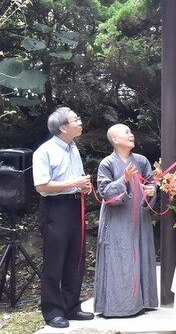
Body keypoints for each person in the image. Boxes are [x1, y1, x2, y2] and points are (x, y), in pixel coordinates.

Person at [32, 107, 94, 328]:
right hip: (54, 208)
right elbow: (41, 186)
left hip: (75, 205)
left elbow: (73, 179)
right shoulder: (44, 151)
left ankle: (72, 306)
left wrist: (83, 186)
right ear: (62, 127)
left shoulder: (73, 148)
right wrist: (73, 184)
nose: (79, 122)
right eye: (75, 119)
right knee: (54, 259)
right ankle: (52, 311)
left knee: (75, 258)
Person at [94, 123, 159, 318]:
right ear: (115, 139)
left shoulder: (141, 160)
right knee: (120, 258)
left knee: (141, 254)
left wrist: (151, 191)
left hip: (139, 219)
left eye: (131, 132)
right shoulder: (107, 163)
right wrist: (124, 179)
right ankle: (118, 306)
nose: (131, 135)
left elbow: (151, 183)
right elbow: (104, 193)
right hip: (117, 221)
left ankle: (143, 302)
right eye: (126, 132)